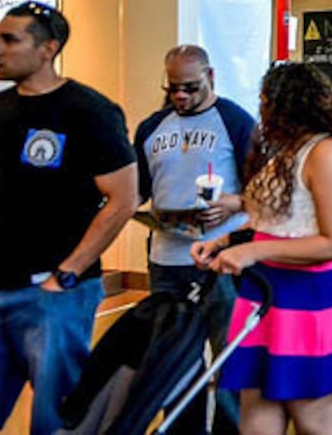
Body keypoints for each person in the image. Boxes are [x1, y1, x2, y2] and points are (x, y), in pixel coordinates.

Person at [193, 62, 332, 434]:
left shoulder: (327, 153)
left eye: (267, 102)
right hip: (266, 299)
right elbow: (280, 221)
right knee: (257, 424)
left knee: (315, 423)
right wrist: (228, 241)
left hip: (312, 305)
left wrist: (252, 253)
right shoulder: (285, 153)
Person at [0, 2, 137, 435]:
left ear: (48, 48)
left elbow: (124, 199)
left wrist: (67, 273)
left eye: (10, 40)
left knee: (56, 419)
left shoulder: (89, 111)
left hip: (56, 293)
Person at [134, 44, 255, 433]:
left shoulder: (235, 122)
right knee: (174, 362)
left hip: (222, 261)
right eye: (173, 88)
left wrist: (233, 204)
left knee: (229, 362)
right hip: (166, 260)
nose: (181, 96)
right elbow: (138, 190)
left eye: (190, 87)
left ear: (211, 77)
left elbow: (268, 192)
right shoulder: (153, 127)